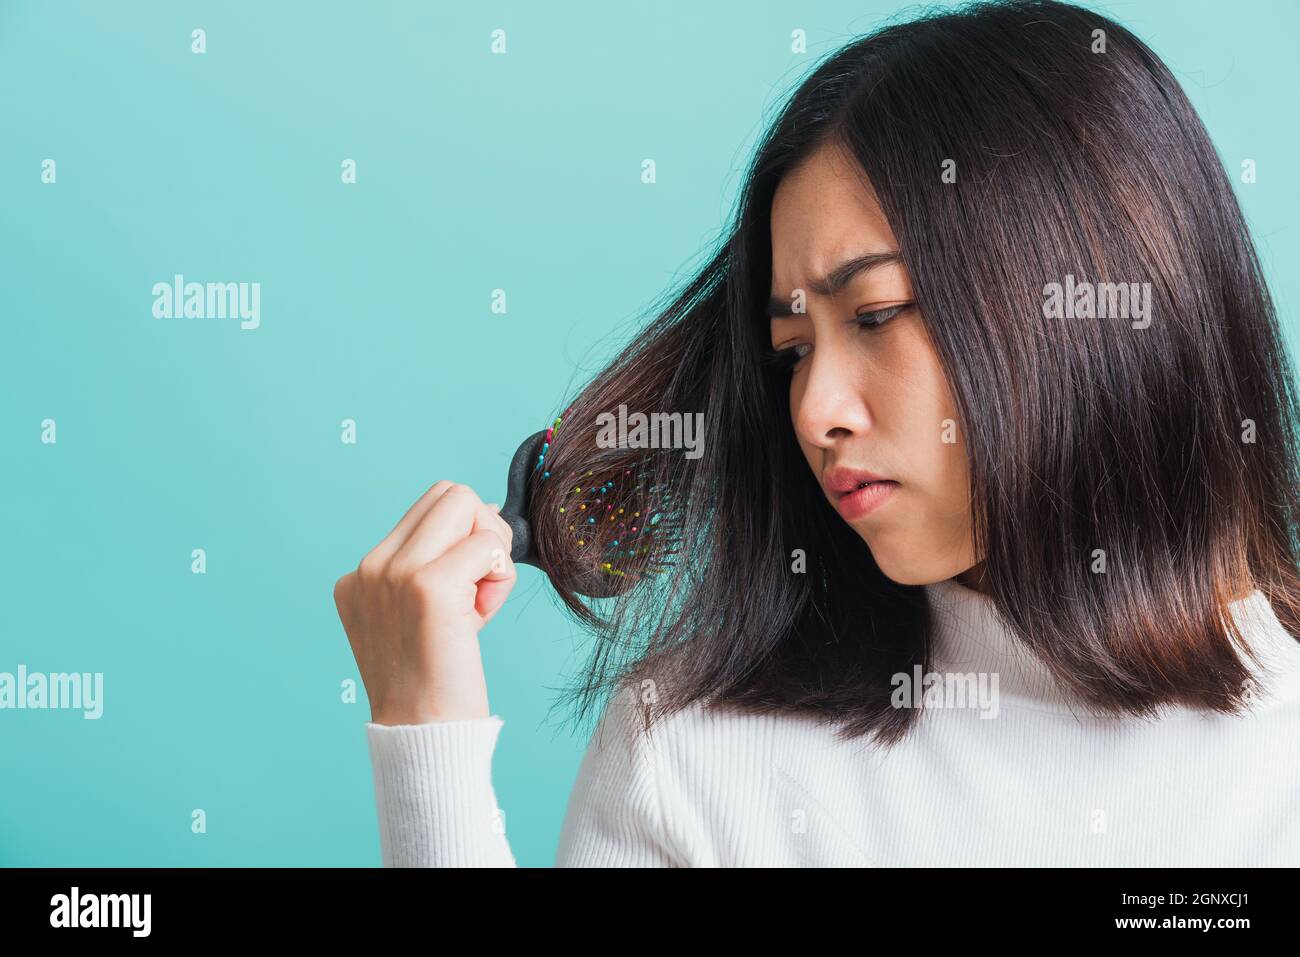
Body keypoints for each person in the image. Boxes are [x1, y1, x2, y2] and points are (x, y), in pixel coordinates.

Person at [333, 0, 1300, 866]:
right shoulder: (692, 753)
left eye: (874, 315)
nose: (815, 410)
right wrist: (429, 749)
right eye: (792, 350)